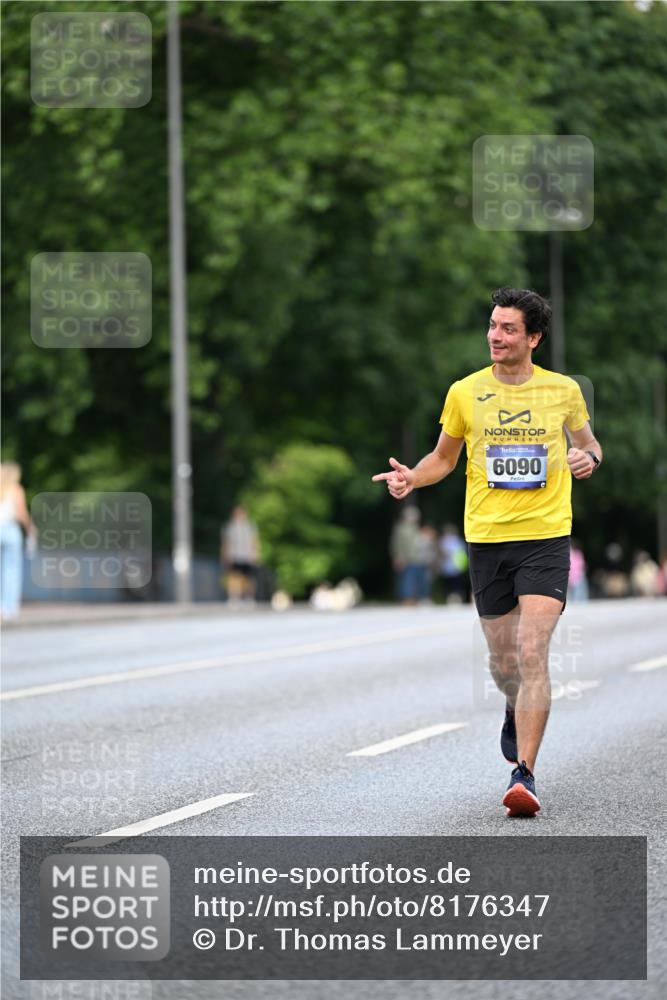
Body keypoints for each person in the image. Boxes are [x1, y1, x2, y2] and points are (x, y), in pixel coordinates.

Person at [373, 287, 602, 817]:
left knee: (530, 652)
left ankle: (524, 774)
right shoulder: (465, 392)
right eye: (493, 326)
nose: (495, 336)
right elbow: (443, 458)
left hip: (545, 535)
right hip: (487, 540)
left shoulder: (563, 391)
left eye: (508, 329)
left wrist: (588, 457)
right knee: (505, 665)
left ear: (534, 338)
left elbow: (590, 444)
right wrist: (413, 477)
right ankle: (512, 701)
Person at [0, 462, 36, 620]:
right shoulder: (15, 489)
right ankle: (9, 608)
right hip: (10, 530)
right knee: (11, 570)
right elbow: (21, 512)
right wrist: (30, 528)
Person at [220, 505, 260, 604]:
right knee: (234, 577)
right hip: (234, 555)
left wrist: (256, 554)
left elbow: (254, 541)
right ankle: (234, 598)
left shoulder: (250, 526)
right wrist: (224, 555)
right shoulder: (229, 526)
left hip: (247, 556)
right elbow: (226, 542)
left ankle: (249, 597)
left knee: (249, 578)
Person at [390, 506, 422, 605]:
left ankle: (414, 598)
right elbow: (396, 543)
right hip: (405, 558)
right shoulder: (400, 528)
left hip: (417, 558)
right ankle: (406, 598)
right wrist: (398, 556)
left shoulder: (416, 528)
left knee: (415, 579)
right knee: (406, 580)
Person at [439, 523, 469, 603]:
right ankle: (455, 598)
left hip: (453, 567)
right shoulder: (457, 540)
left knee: (454, 584)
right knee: (454, 584)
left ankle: (455, 598)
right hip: (452, 567)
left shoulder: (447, 541)